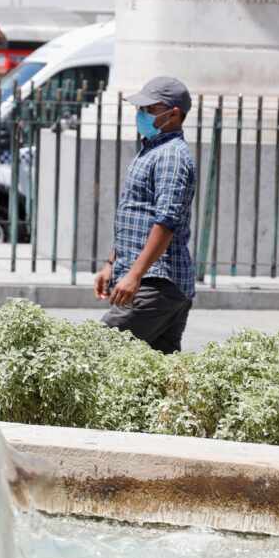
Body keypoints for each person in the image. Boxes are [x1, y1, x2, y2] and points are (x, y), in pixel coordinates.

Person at [94, 76, 196, 354]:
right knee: (156, 377)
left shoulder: (171, 156)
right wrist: (112, 264)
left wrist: (135, 275)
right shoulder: (152, 151)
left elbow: (166, 221)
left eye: (149, 110)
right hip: (154, 282)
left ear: (173, 114)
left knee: (97, 353)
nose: (141, 115)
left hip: (157, 283)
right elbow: (137, 218)